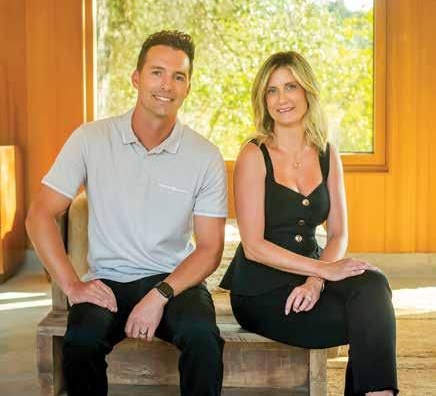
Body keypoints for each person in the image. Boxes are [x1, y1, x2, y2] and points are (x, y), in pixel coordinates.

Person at [26, 30, 227, 396]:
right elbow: (39, 215)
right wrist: (72, 285)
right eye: (157, 72)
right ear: (136, 78)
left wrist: (159, 295)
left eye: (178, 76)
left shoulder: (205, 155)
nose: (166, 85)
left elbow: (210, 249)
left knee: (203, 338)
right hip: (108, 280)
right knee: (81, 343)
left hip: (174, 281)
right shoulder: (90, 139)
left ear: (187, 87)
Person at [220, 51, 398, 396]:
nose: (281, 99)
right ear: (263, 100)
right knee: (370, 322)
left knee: (374, 286)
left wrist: (316, 280)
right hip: (261, 291)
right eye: (271, 91)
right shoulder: (253, 154)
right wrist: (323, 270)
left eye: (290, 86)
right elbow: (254, 247)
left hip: (312, 277)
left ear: (307, 91)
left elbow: (338, 233)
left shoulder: (327, 153)